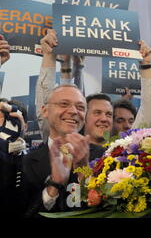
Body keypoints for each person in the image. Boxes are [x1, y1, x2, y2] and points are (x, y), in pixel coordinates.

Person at [22, 84, 105, 217]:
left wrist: (84, 172)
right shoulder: (25, 162)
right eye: (64, 104)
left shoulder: (104, 157)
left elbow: (108, 210)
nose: (73, 111)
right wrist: (54, 184)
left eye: (80, 107)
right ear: (44, 111)